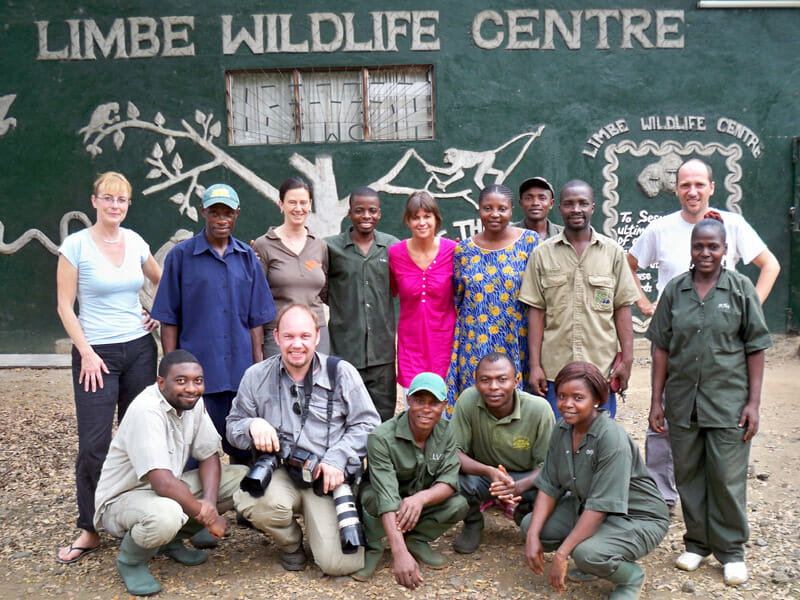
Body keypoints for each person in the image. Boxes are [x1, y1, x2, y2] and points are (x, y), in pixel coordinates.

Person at [628, 157, 780, 512]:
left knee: (721, 418)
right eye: (684, 185)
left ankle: (716, 496)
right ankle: (661, 496)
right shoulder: (660, 229)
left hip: (722, 347)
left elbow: (770, 264)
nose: (692, 191)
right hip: (674, 343)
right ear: (675, 189)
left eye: (699, 184)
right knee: (663, 419)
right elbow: (627, 265)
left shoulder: (733, 225)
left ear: (712, 187)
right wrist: (645, 303)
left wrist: (749, 309)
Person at [645, 216, 771, 586]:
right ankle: (697, 543)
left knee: (728, 478)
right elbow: (661, 349)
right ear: (690, 248)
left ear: (725, 249)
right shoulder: (675, 291)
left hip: (728, 401)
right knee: (688, 476)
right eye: (698, 246)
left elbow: (756, 347)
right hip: (683, 401)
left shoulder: (741, 289)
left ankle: (731, 551)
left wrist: (754, 403)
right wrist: (657, 400)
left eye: (713, 246)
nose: (705, 252)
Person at [227, 304, 380, 576]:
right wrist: (253, 425)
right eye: (289, 337)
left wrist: (338, 457)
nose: (296, 344)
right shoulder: (256, 376)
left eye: (305, 336)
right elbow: (232, 429)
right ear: (276, 337)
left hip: (325, 477)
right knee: (254, 502)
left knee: (339, 564)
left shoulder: (341, 372)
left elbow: (369, 424)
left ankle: (324, 528)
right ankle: (290, 544)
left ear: (317, 337)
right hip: (281, 473)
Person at [55, 171, 161, 564]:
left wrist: (155, 313)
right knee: (94, 445)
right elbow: (65, 306)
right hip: (95, 354)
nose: (115, 205)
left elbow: (160, 279)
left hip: (138, 350)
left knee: (141, 437)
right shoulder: (76, 245)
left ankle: (140, 516)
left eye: (122, 200)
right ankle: (89, 527)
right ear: (94, 201)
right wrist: (85, 351)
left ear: (128, 205)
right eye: (108, 198)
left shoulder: (134, 241)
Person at [94, 350, 247, 596]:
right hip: (124, 499)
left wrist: (209, 502)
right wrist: (208, 517)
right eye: (181, 380)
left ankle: (170, 541)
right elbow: (162, 483)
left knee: (240, 480)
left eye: (198, 381)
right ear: (161, 383)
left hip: (168, 487)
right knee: (167, 514)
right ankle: (131, 561)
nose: (192, 388)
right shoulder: (147, 410)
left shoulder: (192, 403)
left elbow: (208, 455)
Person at [151, 183, 276, 471]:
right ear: (203, 212)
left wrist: (257, 366)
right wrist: (171, 369)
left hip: (239, 373)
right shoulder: (180, 257)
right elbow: (168, 318)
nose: (221, 219)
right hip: (197, 375)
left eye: (228, 213)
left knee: (244, 447)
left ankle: (245, 507)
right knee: (193, 450)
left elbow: (256, 320)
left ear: (237, 215)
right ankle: (193, 511)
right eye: (215, 212)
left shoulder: (247, 259)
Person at [523, 362, 668, 600]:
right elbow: (549, 487)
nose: (567, 404)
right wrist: (531, 538)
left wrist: (561, 556)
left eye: (578, 397)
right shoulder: (561, 429)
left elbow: (599, 508)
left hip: (637, 516)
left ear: (597, 400)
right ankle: (595, 558)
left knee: (587, 554)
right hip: (588, 507)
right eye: (561, 396)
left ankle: (630, 577)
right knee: (533, 527)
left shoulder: (611, 438)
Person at [520, 179, 639, 419]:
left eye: (583, 203)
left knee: (600, 440)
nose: (576, 209)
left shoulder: (612, 252)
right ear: (559, 208)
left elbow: (622, 308)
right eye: (569, 204)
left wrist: (626, 360)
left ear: (593, 207)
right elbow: (537, 312)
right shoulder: (542, 253)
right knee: (556, 439)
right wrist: (535, 366)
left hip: (601, 370)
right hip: (555, 371)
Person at [352, 372, 468, 588]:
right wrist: (399, 553)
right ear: (408, 400)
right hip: (384, 501)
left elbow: (449, 480)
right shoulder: (381, 437)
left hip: (417, 500)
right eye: (419, 401)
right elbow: (387, 497)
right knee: (372, 499)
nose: (426, 409)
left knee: (459, 504)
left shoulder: (447, 430)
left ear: (444, 405)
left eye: (434, 403)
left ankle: (417, 539)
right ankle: (375, 546)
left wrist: (420, 499)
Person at [445, 184, 540, 415]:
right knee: (475, 404)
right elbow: (459, 296)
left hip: (516, 338)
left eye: (502, 208)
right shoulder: (464, 249)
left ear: (512, 210)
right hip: (474, 340)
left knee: (517, 405)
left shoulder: (530, 242)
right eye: (488, 208)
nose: (495, 214)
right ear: (479, 210)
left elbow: (538, 293)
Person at [449, 352, 554, 554]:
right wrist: (488, 472)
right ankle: (472, 522)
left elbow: (550, 466)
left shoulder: (538, 409)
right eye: (485, 380)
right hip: (484, 476)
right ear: (476, 383)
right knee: (452, 476)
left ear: (516, 381)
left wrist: (518, 487)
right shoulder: (468, 400)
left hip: (525, 478)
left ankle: (525, 512)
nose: (494, 387)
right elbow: (454, 452)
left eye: (502, 379)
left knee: (554, 486)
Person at [326, 187, 399, 421]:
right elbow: (319, 287)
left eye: (372, 211)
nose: (366, 216)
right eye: (359, 211)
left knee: (383, 421)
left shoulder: (392, 246)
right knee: (346, 419)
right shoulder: (330, 248)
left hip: (382, 355)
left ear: (379, 214)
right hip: (346, 353)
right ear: (349, 214)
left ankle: (380, 460)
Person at [252, 176, 329, 357]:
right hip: (279, 334)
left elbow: (325, 292)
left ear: (310, 205)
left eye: (303, 202)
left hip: (316, 333)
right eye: (292, 202)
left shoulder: (319, 246)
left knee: (319, 384)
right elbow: (256, 298)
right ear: (281, 204)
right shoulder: (263, 245)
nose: (298, 208)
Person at [389, 191, 457, 394]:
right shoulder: (395, 253)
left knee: (445, 410)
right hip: (411, 346)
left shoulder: (453, 251)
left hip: (446, 344)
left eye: (427, 216)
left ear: (436, 219)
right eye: (415, 217)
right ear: (407, 221)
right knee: (415, 408)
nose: (421, 222)